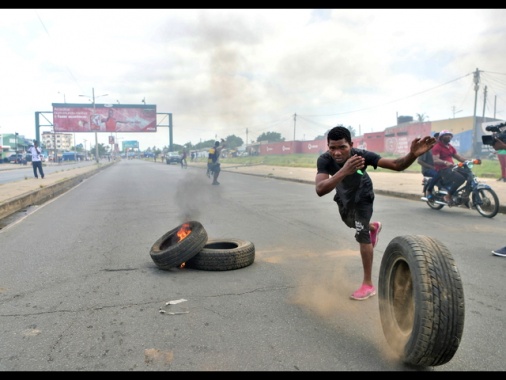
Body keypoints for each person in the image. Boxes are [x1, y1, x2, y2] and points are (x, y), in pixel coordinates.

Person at [315, 126, 436, 301]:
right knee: (351, 223)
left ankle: (367, 284)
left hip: (363, 195)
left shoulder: (362, 156)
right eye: (332, 148)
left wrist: (412, 155)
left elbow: (396, 165)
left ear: (351, 144)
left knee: (361, 233)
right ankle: (373, 227)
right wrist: (344, 171)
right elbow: (320, 189)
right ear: (328, 147)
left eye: (342, 147)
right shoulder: (324, 160)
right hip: (344, 197)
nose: (337, 152)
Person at [431, 130, 471, 205]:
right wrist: (445, 162)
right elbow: (435, 159)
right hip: (442, 169)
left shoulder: (450, 147)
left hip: (452, 167)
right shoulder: (437, 147)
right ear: (441, 137)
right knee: (460, 179)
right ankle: (448, 196)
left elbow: (459, 157)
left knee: (469, 175)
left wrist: (471, 161)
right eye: (446, 135)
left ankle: (465, 195)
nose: (448, 136)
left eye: (449, 135)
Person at [418, 132, 440, 200]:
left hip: (438, 169)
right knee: (438, 175)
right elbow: (419, 161)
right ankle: (429, 191)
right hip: (427, 170)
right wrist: (432, 167)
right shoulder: (427, 148)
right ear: (436, 138)